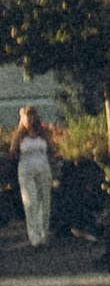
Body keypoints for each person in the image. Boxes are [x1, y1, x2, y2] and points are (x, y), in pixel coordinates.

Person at [12, 104, 63, 250]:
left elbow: (52, 149)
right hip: (26, 170)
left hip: (43, 169)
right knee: (30, 202)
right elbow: (13, 152)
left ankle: (43, 235)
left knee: (44, 202)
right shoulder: (20, 136)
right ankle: (34, 238)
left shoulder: (43, 134)